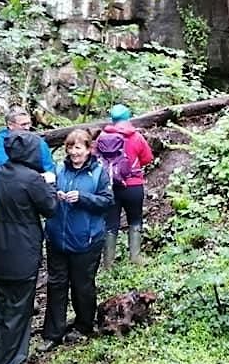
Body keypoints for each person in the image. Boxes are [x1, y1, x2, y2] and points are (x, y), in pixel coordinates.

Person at [0, 131, 57, 364]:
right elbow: (51, 208)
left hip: (0, 248)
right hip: (22, 250)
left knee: (2, 308)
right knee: (18, 309)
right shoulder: (30, 179)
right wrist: (49, 183)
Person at [41, 130, 113, 349]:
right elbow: (46, 192)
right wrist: (55, 194)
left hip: (87, 239)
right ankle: (53, 333)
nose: (74, 152)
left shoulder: (99, 172)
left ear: (89, 149)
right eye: (70, 148)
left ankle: (84, 325)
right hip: (57, 238)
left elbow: (107, 201)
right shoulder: (59, 169)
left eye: (78, 148)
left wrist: (83, 198)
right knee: (56, 284)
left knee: (82, 285)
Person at [100, 104, 153, 266]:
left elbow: (96, 158)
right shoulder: (135, 136)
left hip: (110, 186)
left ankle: (108, 262)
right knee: (135, 219)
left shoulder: (102, 136)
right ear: (128, 117)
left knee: (110, 223)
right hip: (133, 185)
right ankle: (135, 257)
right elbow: (148, 158)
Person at [0, 107, 55, 203]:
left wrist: (45, 196)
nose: (27, 128)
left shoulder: (38, 142)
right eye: (23, 124)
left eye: (29, 123)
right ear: (10, 125)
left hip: (32, 199)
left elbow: (49, 170)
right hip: (2, 199)